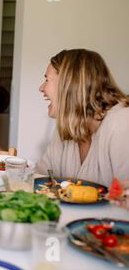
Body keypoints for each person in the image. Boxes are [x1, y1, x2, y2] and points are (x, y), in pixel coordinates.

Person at [36, 49, 129, 187]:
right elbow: (41, 178)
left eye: (47, 79)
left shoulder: (122, 122)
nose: (41, 88)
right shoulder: (68, 125)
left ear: (69, 85)